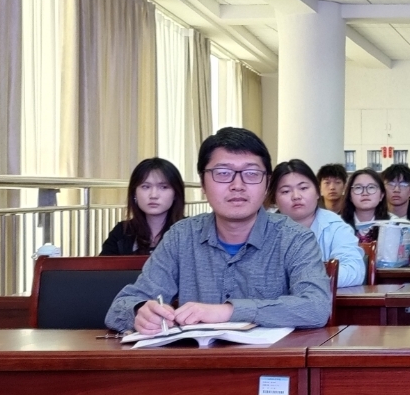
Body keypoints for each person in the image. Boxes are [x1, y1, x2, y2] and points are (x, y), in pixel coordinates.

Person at [106, 127, 331, 333]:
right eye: (223, 173)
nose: (237, 185)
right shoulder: (180, 237)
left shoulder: (295, 238)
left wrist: (227, 312)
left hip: (271, 361)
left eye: (251, 173)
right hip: (195, 361)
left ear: (267, 184)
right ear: (203, 184)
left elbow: (316, 307)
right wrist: (140, 313)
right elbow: (119, 308)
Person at [269, 159, 366, 289]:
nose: (296, 196)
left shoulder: (335, 226)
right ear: (274, 199)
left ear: (317, 192)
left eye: (303, 188)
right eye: (286, 191)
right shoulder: (263, 228)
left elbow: (354, 271)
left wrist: (303, 276)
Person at [100, 157, 186, 255]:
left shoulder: (189, 231)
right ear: (134, 193)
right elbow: (103, 264)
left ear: (176, 194)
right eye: (146, 187)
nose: (153, 195)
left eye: (163, 187)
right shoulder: (122, 232)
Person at [342, 168, 388, 239]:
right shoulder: (338, 224)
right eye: (358, 188)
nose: (365, 193)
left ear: (381, 195)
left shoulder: (393, 224)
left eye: (371, 187)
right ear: (350, 196)